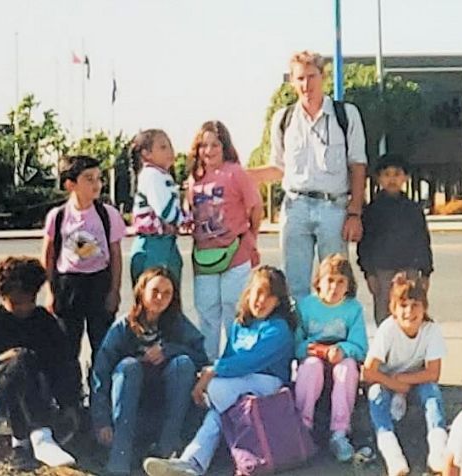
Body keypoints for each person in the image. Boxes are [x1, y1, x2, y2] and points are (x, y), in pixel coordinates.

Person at [142, 266, 296, 476]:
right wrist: (210, 374)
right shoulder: (241, 324)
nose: (261, 300)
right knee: (218, 414)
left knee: (215, 389)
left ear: (278, 301)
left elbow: (248, 362)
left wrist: (209, 376)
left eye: (269, 296)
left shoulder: (278, 328)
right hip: (238, 386)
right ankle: (192, 465)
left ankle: (192, 462)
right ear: (248, 292)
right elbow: (228, 358)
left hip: (268, 384)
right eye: (258, 292)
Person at [247, 50, 367, 300]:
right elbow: (277, 168)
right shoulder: (284, 119)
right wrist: (236, 176)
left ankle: (335, 336)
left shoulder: (345, 115)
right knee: (294, 286)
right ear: (292, 81)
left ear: (322, 77)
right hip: (296, 208)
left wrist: (355, 213)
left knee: (336, 283)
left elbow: (357, 165)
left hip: (333, 208)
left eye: (311, 77)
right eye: (300, 78)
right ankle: (301, 338)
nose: (306, 84)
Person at [90, 267, 209, 475]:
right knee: (129, 366)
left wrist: (170, 350)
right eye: (155, 291)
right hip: (126, 408)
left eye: (167, 293)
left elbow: (201, 357)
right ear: (141, 291)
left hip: (166, 407)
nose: (160, 298)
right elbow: (100, 373)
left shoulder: (177, 323)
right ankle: (119, 462)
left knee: (183, 363)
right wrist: (101, 421)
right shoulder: (123, 327)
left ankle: (165, 454)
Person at [0, 257, 80, 469]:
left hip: (41, 389)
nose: (24, 307)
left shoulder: (44, 321)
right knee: (21, 362)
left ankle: (22, 445)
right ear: (3, 296)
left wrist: (70, 403)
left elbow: (64, 363)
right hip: (2, 391)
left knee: (28, 363)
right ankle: (40, 436)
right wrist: (0, 360)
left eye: (29, 300)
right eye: (16, 302)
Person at [184, 120, 263, 360]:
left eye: (215, 144)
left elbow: (255, 206)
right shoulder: (193, 179)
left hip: (235, 254)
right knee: (207, 315)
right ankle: (208, 367)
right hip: (204, 257)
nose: (209, 151)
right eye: (203, 145)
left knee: (234, 312)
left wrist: (251, 237)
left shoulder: (235, 172)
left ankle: (234, 365)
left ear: (225, 146)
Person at [42, 155, 126, 374]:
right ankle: (71, 397)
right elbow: (49, 254)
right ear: (71, 185)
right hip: (68, 285)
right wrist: (50, 291)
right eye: (89, 179)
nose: (96, 184)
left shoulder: (108, 214)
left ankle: (99, 392)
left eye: (99, 178)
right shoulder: (58, 216)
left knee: (103, 344)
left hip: (99, 282)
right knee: (67, 346)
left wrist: (114, 291)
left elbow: (116, 254)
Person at [362, 273, 448, 476]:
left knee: (432, 393)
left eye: (415, 305)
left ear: (424, 307)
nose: (409, 311)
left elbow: (433, 373)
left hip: (415, 380)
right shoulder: (388, 329)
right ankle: (393, 455)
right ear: (393, 309)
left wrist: (404, 380)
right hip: (385, 380)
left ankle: (438, 452)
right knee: (376, 395)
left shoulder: (431, 330)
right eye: (403, 305)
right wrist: (395, 384)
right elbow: (368, 371)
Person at [294, 254, 368, 462]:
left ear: (348, 285)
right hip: (314, 356)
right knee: (310, 367)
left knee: (346, 369)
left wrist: (343, 349)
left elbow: (360, 346)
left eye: (340, 282)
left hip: (340, 358)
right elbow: (296, 345)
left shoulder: (353, 308)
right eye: (330, 281)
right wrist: (308, 350)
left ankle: (340, 431)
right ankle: (303, 426)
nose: (334, 288)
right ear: (318, 282)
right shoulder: (306, 306)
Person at [358, 153, 433, 324]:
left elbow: (423, 240)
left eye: (397, 174)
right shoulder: (372, 210)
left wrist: (426, 273)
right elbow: (365, 244)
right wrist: (369, 273)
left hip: (409, 269)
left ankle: (409, 349)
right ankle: (386, 351)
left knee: (410, 311)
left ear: (405, 177)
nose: (392, 179)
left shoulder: (413, 209)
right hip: (382, 270)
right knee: (384, 315)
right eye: (387, 175)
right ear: (378, 179)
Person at [130, 129, 186, 286]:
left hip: (165, 242)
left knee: (168, 295)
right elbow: (165, 211)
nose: (170, 151)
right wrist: (186, 220)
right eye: (163, 147)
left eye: (170, 146)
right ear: (146, 153)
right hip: (153, 245)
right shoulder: (151, 175)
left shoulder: (161, 175)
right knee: (154, 295)